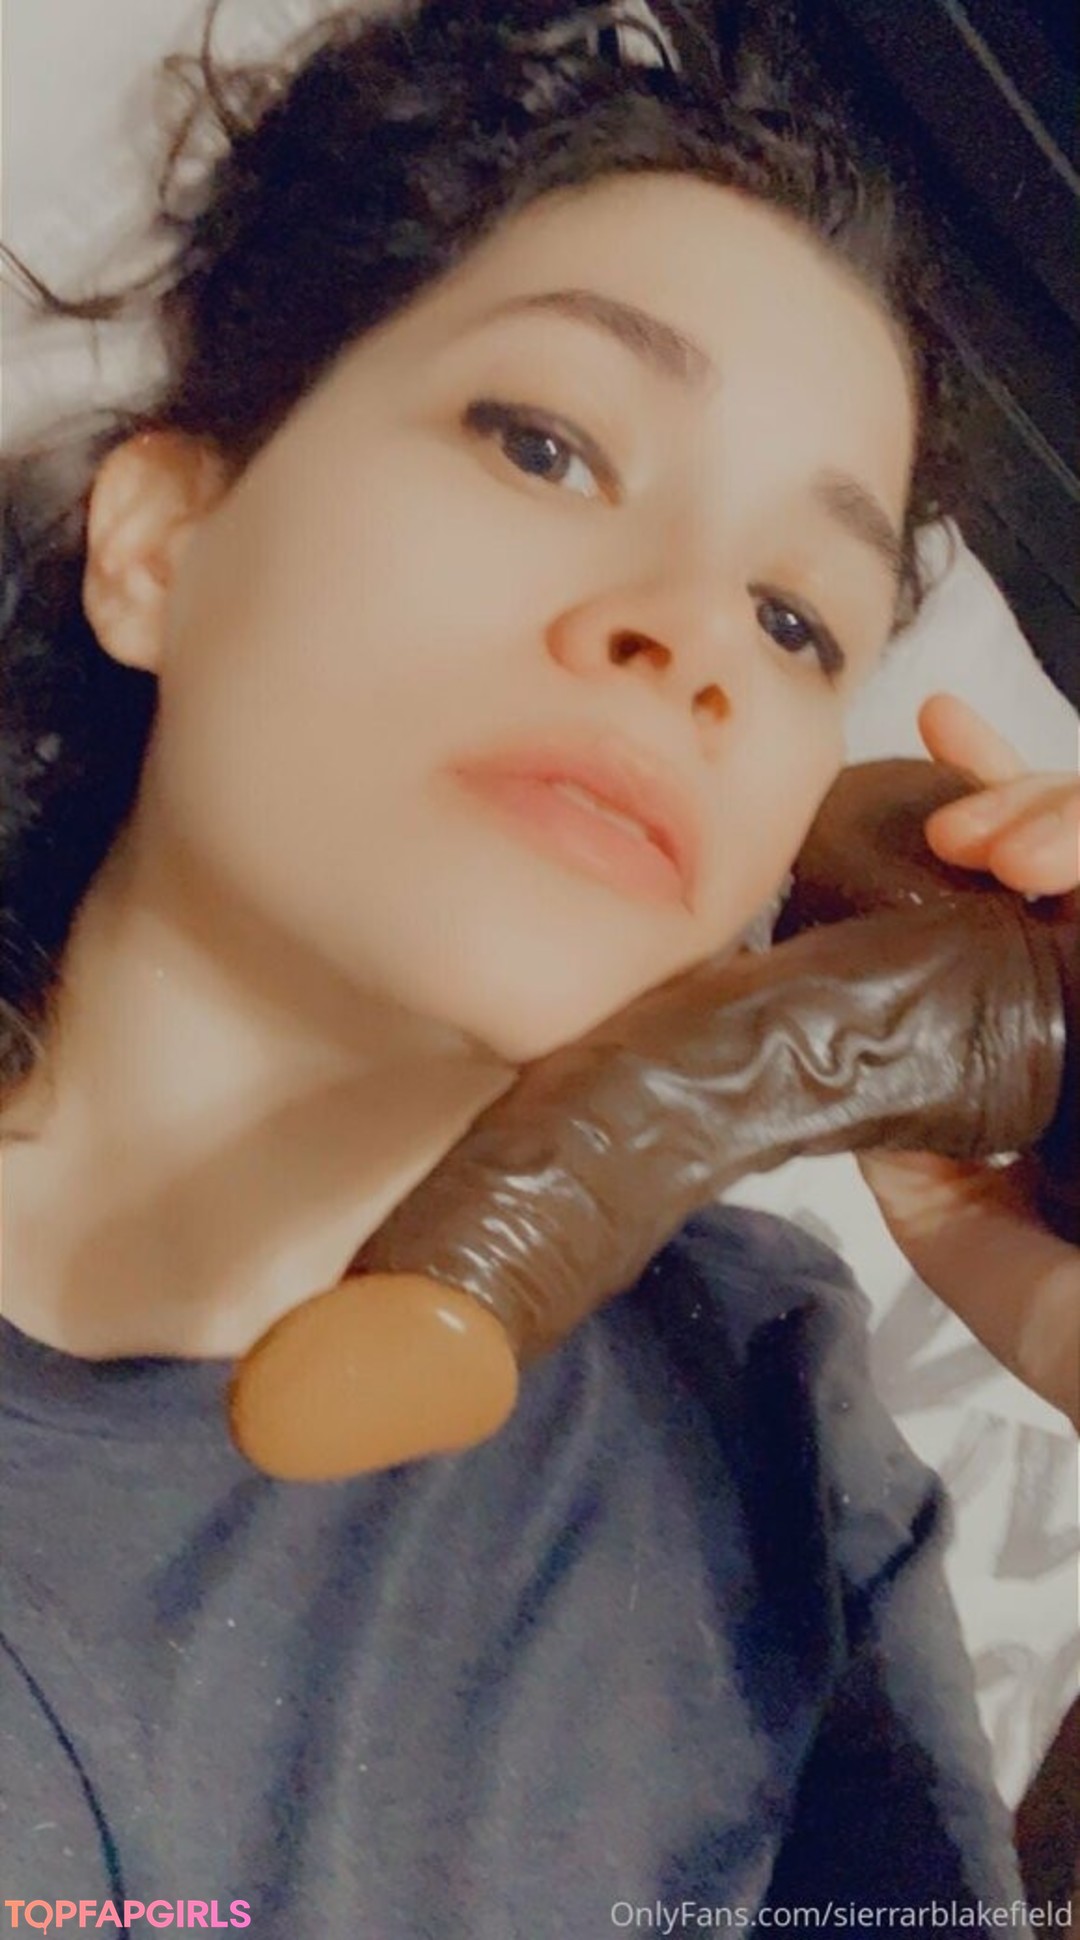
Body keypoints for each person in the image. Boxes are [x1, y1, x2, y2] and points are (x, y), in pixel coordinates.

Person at [0, 0, 1076, 1929]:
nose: (697, 640)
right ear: (159, 540)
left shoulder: (771, 1426)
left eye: (797, 619)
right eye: (546, 445)